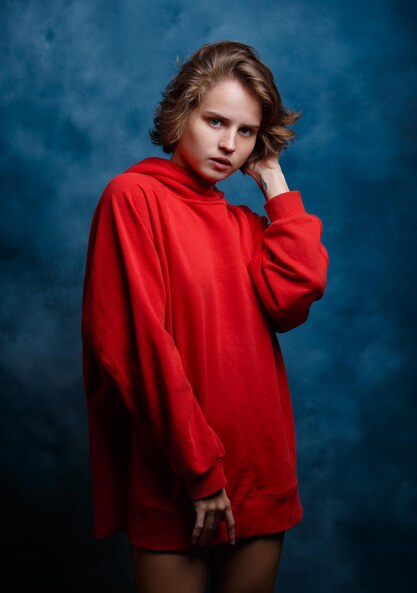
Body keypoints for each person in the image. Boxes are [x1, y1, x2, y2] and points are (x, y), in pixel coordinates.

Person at [81, 40, 329, 593]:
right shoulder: (133, 198)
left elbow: (299, 291)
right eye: (215, 120)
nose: (228, 144)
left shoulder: (244, 225)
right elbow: (135, 347)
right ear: (181, 114)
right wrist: (199, 470)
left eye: (246, 132)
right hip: (178, 473)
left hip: (260, 470)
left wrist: (275, 184)